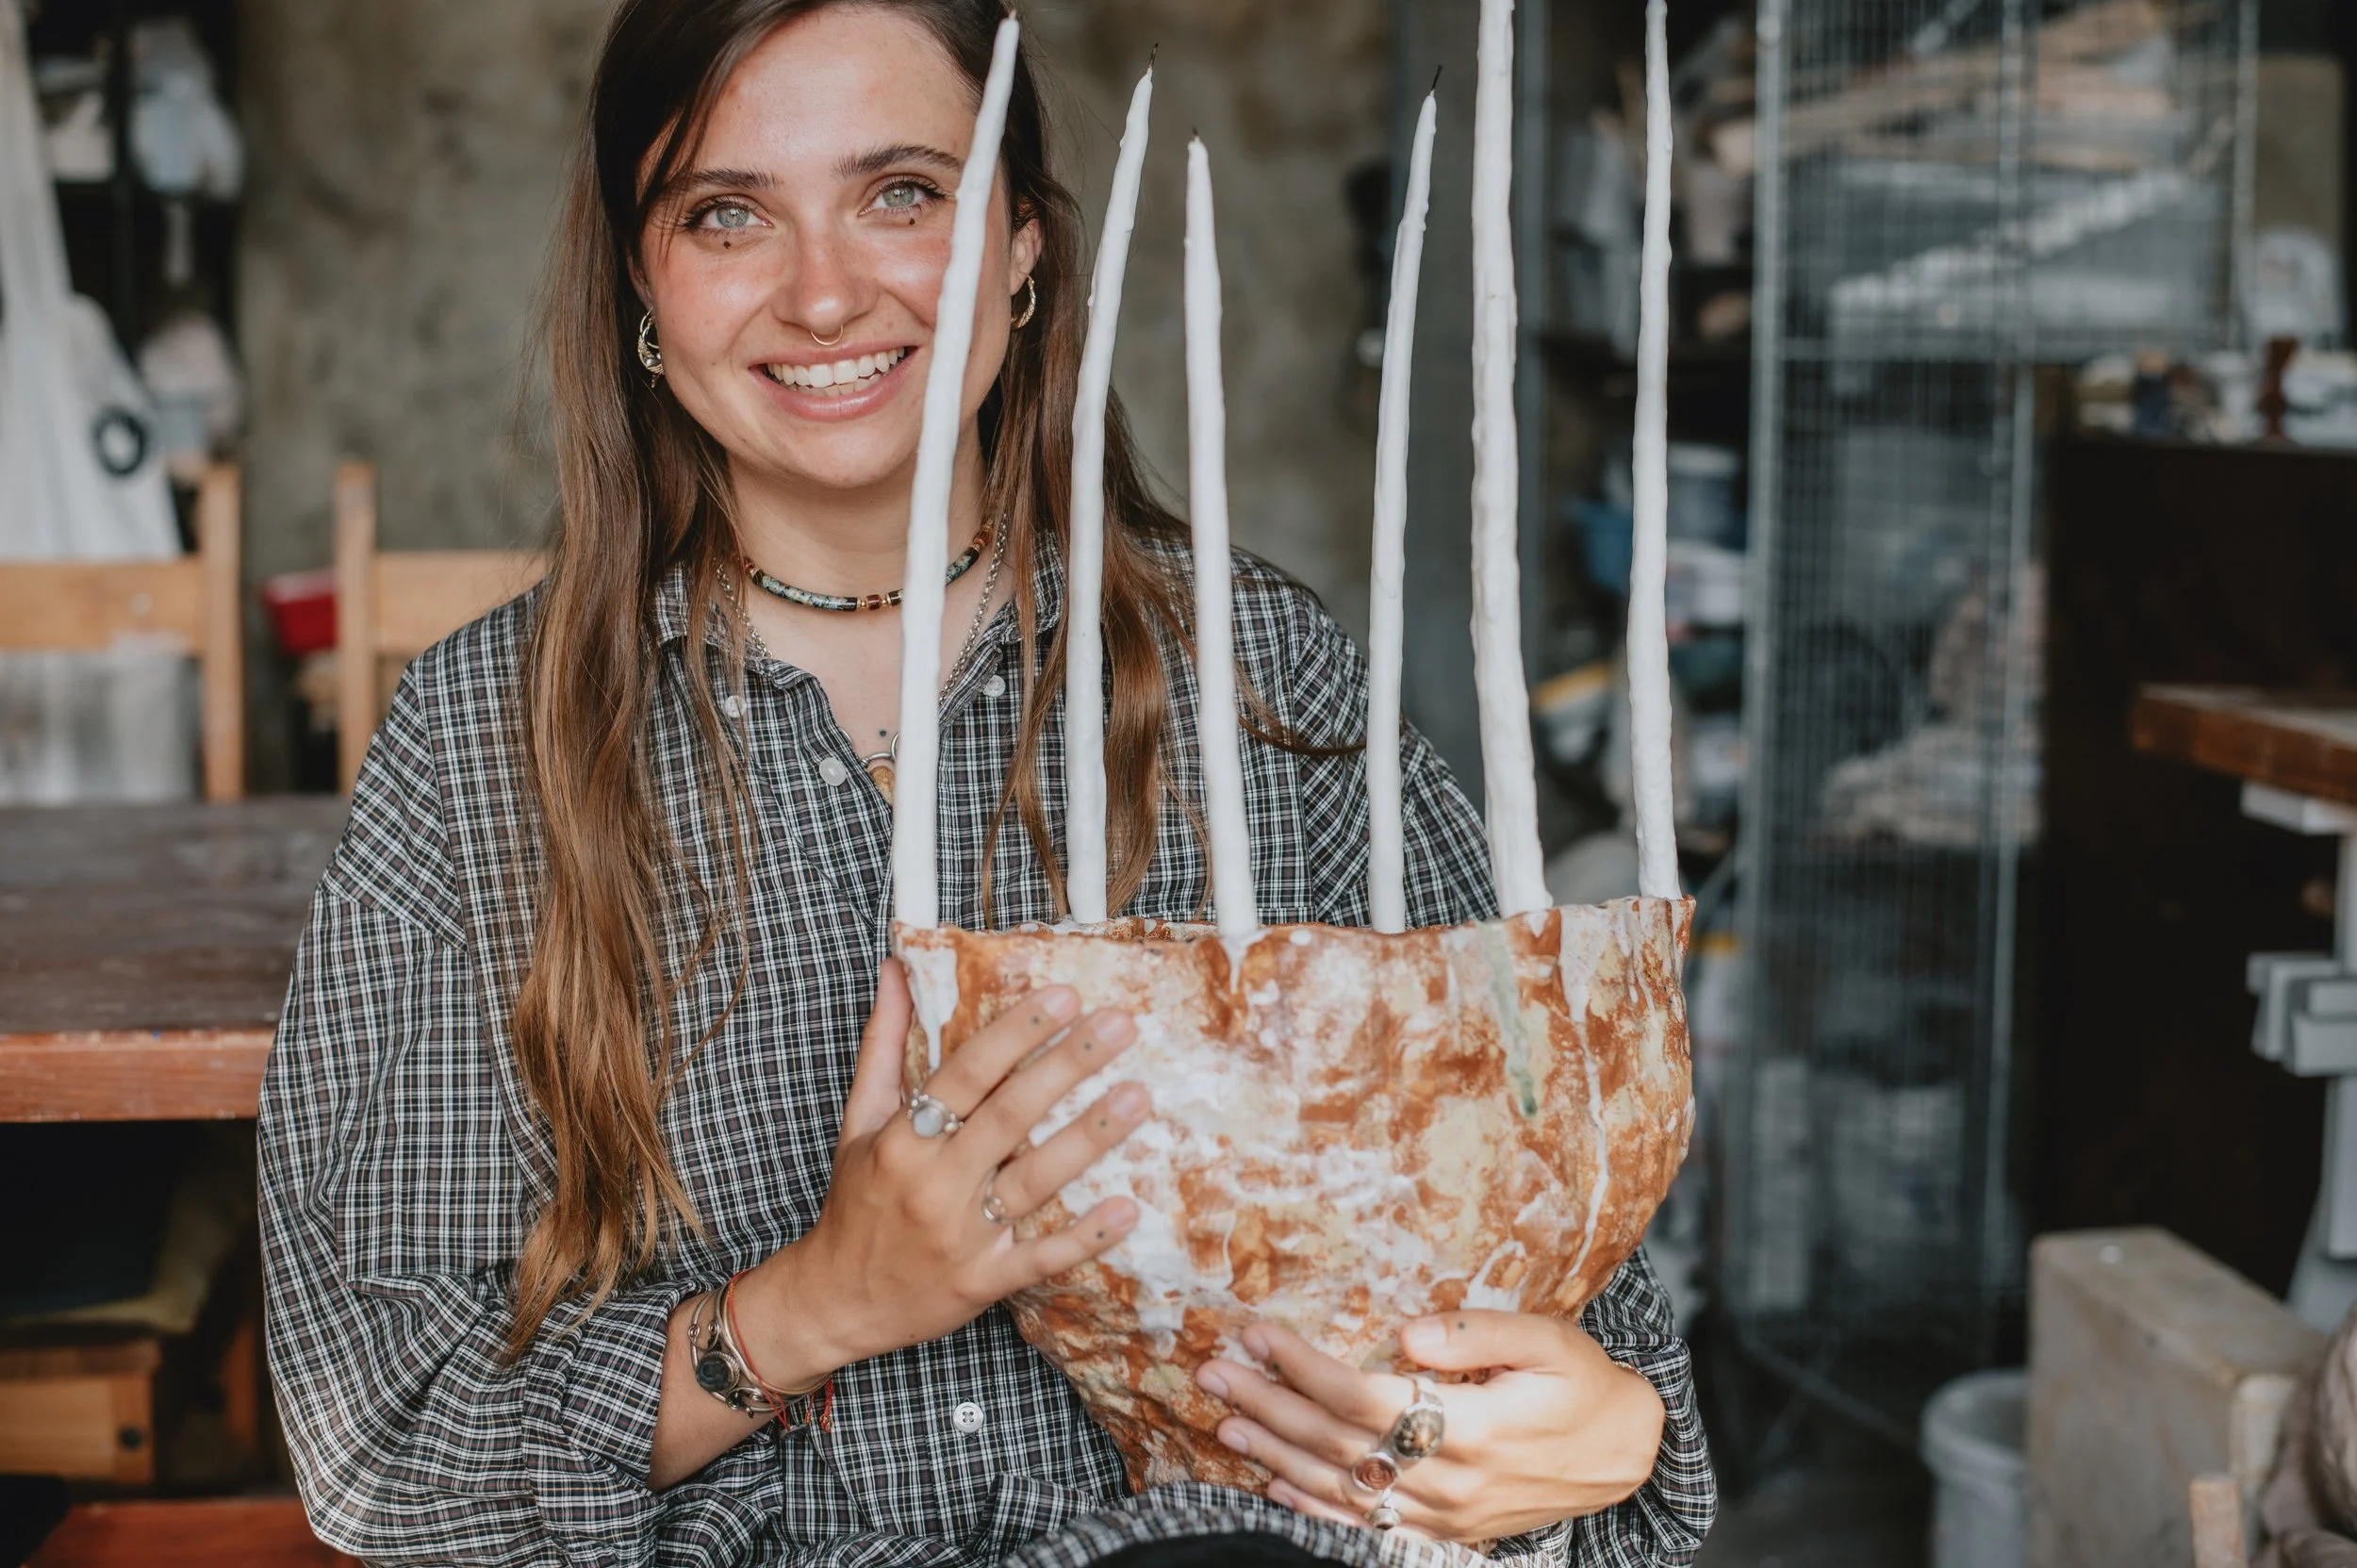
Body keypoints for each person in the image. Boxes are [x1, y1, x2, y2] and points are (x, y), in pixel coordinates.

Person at [255, 2, 1715, 1563]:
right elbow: (383, 1443)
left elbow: (1595, 1352)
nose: (825, 293)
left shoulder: (1267, 690)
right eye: (728, 213)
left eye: (903, 193)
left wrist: (1596, 1435)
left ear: (1023, 240)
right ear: (640, 279)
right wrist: (817, 1302)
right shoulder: (489, 742)